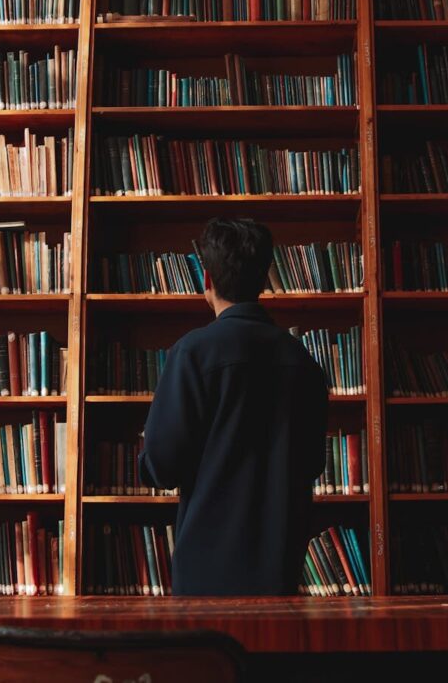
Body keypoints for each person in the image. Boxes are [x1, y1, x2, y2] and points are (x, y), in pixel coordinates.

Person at [138, 217, 329, 595]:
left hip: (206, 575)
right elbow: (312, 465)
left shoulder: (192, 353)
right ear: (264, 279)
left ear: (206, 280)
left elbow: (161, 467)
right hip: (278, 570)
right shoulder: (303, 361)